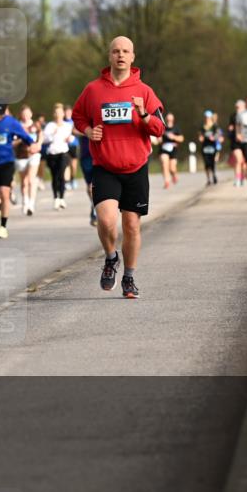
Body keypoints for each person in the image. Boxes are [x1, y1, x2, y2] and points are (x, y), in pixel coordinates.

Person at [71, 35, 165, 299]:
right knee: (106, 219)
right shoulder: (93, 90)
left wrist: (144, 114)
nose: (120, 55)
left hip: (136, 167)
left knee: (132, 226)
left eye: (125, 51)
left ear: (133, 57)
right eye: (115, 51)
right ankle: (111, 258)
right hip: (105, 166)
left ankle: (129, 277)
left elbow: (159, 129)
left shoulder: (144, 91)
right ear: (109, 56)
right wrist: (89, 131)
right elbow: (77, 116)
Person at [0, 101, 41, 239]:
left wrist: (33, 145)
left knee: (5, 193)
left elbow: (25, 136)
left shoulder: (12, 122)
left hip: (6, 162)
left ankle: (3, 227)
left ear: (5, 111)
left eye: (1, 114)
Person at [42, 103, 74, 209]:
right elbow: (45, 140)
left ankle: (62, 198)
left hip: (63, 153)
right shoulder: (50, 126)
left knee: (61, 175)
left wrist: (70, 139)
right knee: (54, 177)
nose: (58, 114)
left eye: (60, 112)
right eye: (56, 113)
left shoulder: (67, 126)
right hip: (52, 153)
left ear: (63, 114)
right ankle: (56, 198)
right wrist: (52, 134)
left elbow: (72, 137)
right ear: (53, 114)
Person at [14, 105, 42, 215]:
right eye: (23, 114)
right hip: (20, 156)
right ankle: (25, 201)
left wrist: (38, 144)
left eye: (27, 114)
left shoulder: (35, 125)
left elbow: (41, 135)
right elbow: (12, 143)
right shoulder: (16, 126)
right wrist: (21, 140)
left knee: (31, 179)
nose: (25, 116)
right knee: (24, 182)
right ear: (21, 115)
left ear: (31, 114)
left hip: (34, 155)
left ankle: (31, 204)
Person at [158, 112, 184, 189]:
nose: (169, 120)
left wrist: (174, 137)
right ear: (166, 119)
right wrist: (158, 139)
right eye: (168, 119)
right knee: (164, 163)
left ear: (173, 119)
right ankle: (167, 181)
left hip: (173, 149)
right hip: (164, 149)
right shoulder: (163, 128)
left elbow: (181, 139)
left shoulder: (176, 128)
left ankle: (174, 174)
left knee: (172, 168)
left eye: (170, 119)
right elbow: (159, 139)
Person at [199, 110, 223, 185]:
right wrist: (201, 138)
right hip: (205, 147)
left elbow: (219, 135)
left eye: (208, 117)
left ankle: (214, 175)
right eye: (206, 117)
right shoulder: (202, 127)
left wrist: (214, 138)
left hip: (213, 147)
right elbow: (200, 137)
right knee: (206, 164)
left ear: (210, 117)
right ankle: (208, 179)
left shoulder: (215, 126)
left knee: (213, 163)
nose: (207, 119)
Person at [228, 99, 247, 187]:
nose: (237, 108)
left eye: (238, 107)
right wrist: (230, 130)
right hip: (235, 142)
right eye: (236, 107)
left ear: (243, 107)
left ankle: (243, 177)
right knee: (238, 160)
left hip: (246, 141)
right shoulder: (233, 116)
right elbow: (230, 128)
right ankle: (237, 178)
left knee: (244, 162)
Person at [65, 105, 81, 191]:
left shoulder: (75, 121)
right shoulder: (62, 122)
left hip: (74, 145)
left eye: (69, 112)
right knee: (66, 164)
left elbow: (80, 130)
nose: (67, 113)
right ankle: (66, 182)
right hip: (65, 146)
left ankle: (73, 179)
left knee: (73, 166)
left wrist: (73, 131)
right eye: (66, 112)